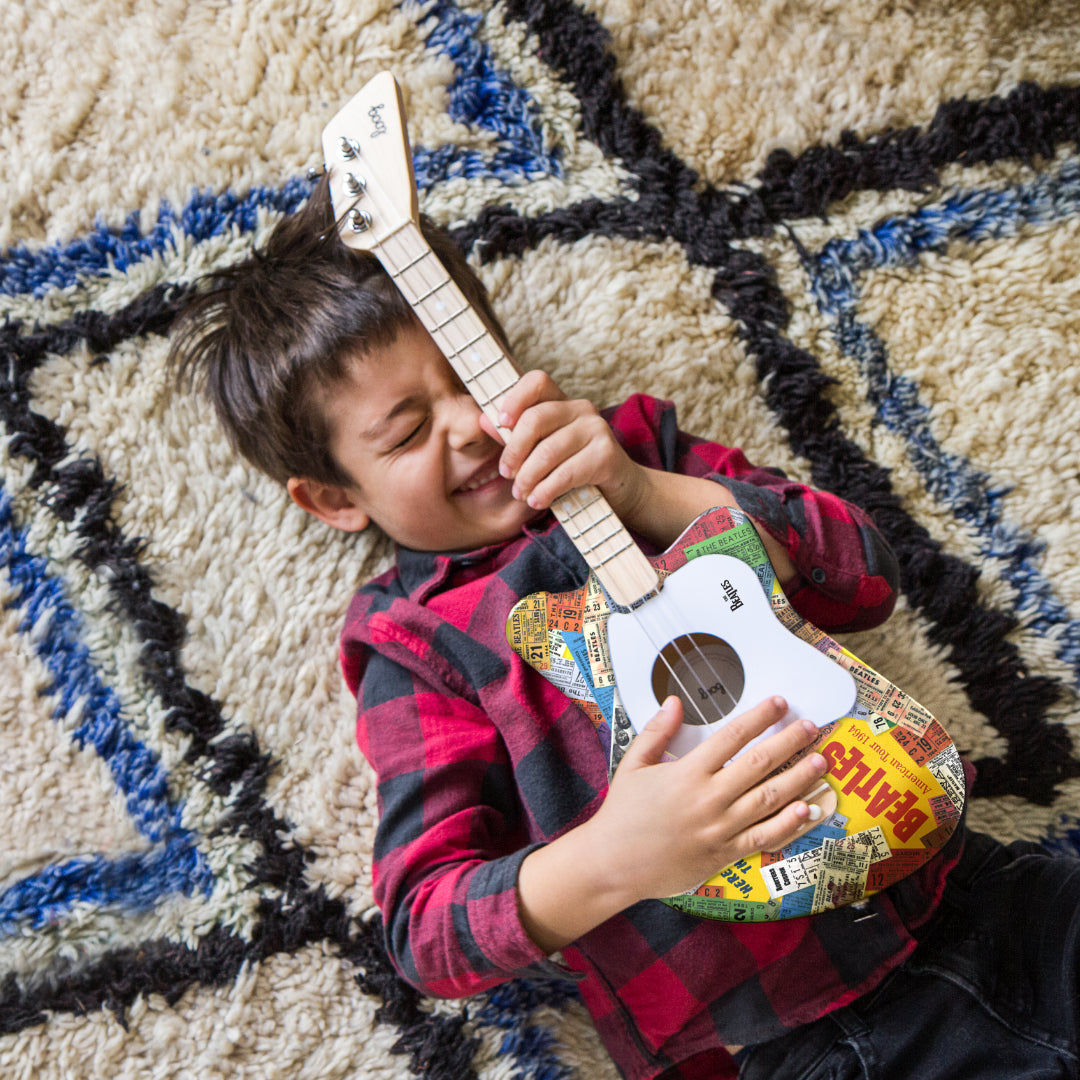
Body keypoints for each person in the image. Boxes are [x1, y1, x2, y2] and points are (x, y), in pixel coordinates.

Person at [169, 174, 1080, 1080]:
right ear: (334, 498)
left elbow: (866, 573)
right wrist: (619, 855)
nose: (473, 427)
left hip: (977, 893)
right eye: (407, 433)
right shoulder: (414, 640)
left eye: (472, 372)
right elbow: (429, 931)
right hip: (800, 1041)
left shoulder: (637, 446)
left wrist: (645, 492)